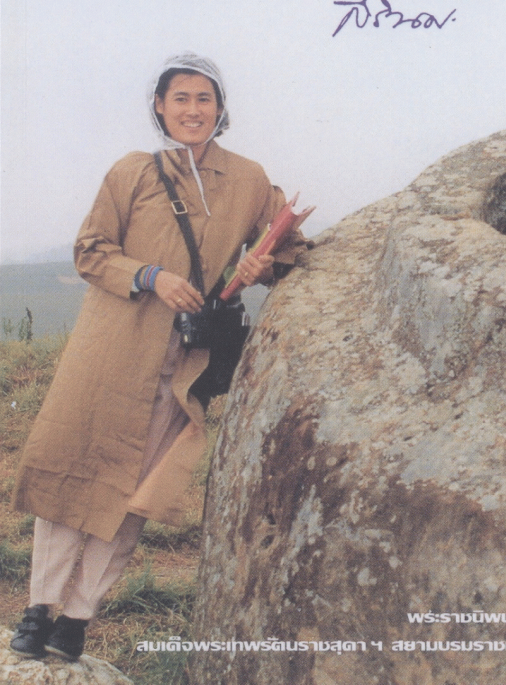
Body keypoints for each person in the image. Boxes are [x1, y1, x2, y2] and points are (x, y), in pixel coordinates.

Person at [9, 53, 306, 660]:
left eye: (204, 98)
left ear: (220, 108)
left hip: (185, 363)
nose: (193, 110)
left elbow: (290, 247)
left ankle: (78, 619)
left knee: (137, 490)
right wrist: (151, 276)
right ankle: (38, 609)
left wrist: (262, 266)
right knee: (69, 472)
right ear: (159, 107)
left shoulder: (250, 180)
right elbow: (90, 251)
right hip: (109, 352)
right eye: (181, 98)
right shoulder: (132, 172)